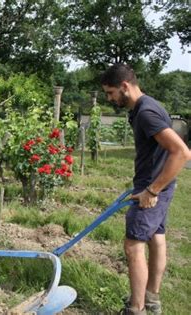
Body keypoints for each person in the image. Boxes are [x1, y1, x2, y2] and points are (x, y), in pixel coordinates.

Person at [101, 64, 191, 315]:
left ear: (125, 87)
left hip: (153, 188)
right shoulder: (149, 105)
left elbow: (182, 153)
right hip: (158, 183)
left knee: (133, 246)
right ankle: (151, 300)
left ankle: (136, 309)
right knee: (156, 238)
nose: (110, 99)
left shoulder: (146, 113)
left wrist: (152, 191)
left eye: (111, 93)